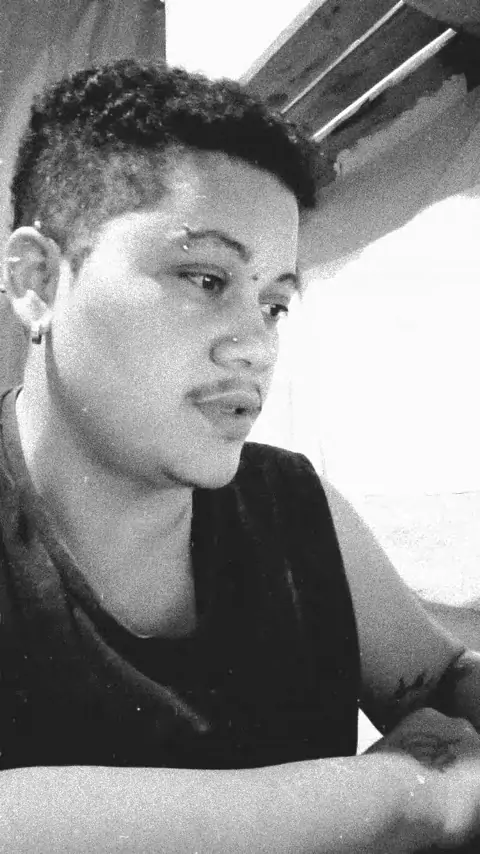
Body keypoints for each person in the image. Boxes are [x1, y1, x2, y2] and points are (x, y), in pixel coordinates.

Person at [1, 58, 480, 854]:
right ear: (39, 281)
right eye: (204, 278)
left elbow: (439, 676)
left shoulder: (291, 504)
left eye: (274, 303)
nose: (256, 346)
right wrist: (406, 799)